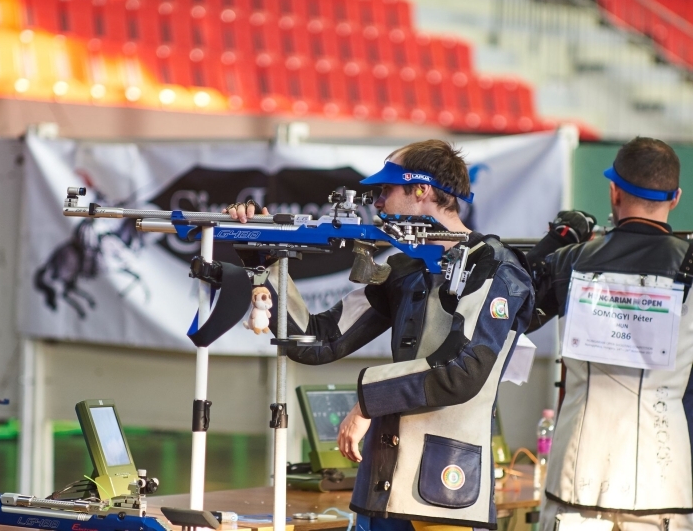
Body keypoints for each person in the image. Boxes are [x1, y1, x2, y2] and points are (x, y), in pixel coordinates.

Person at [227, 140, 535, 531]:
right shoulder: (404, 268)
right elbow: (317, 340)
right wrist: (264, 257)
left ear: (421, 190)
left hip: (446, 489)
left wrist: (367, 402)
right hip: (383, 484)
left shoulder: (495, 268)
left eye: (386, 190)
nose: (377, 202)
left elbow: (462, 370)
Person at [526, 137, 693, 531]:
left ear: (614, 192)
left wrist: (556, 241)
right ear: (675, 198)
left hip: (576, 481)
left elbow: (510, 310)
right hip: (662, 485)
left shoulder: (570, 260)